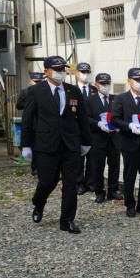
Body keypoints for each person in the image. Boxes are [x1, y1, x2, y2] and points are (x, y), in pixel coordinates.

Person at [20, 55, 91, 234]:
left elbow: (82, 117)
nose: (61, 73)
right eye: (57, 70)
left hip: (70, 145)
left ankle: (67, 221)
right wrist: (26, 145)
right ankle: (39, 203)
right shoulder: (35, 91)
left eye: (62, 69)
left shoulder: (73, 91)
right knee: (47, 182)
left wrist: (86, 141)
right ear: (46, 71)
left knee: (70, 185)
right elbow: (27, 120)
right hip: (46, 145)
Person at [111, 67, 140, 218]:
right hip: (130, 143)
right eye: (137, 80)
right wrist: (129, 126)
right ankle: (130, 204)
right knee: (130, 175)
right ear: (129, 81)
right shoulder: (121, 99)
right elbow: (115, 119)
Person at [84, 72, 122, 204]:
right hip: (97, 138)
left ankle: (113, 190)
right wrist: (99, 124)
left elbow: (120, 116)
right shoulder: (89, 100)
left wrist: (119, 125)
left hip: (114, 138)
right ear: (96, 85)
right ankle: (99, 191)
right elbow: (86, 118)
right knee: (97, 166)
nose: (105, 85)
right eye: (102, 83)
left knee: (115, 165)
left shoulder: (115, 99)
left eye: (107, 83)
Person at [16, 71, 44, 177]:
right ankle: (35, 167)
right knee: (33, 146)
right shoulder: (25, 92)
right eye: (36, 81)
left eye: (40, 81)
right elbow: (19, 105)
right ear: (31, 81)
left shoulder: (45, 92)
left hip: (43, 122)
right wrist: (30, 104)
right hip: (31, 122)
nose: (38, 83)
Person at [74, 62, 96, 195]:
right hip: (77, 129)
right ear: (77, 73)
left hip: (92, 128)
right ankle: (79, 183)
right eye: (83, 72)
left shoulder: (95, 90)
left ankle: (90, 182)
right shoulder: (71, 89)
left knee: (92, 157)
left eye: (88, 72)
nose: (85, 74)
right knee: (78, 158)